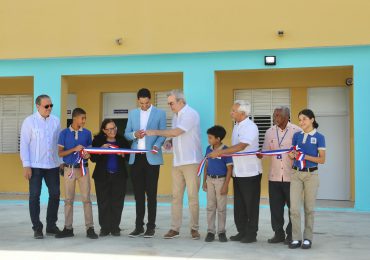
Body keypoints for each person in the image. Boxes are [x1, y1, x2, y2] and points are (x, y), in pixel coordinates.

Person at [145, 89, 203, 240]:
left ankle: (194, 229)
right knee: (176, 197)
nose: (170, 106)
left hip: (192, 162)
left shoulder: (190, 114)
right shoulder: (176, 116)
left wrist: (155, 132)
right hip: (177, 162)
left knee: (192, 197)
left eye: (171, 103)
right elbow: (175, 135)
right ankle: (174, 228)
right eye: (169, 103)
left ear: (181, 101)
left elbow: (176, 132)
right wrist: (170, 142)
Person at [208, 100, 262, 243]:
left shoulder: (251, 127)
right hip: (238, 172)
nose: (231, 113)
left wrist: (220, 152)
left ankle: (251, 234)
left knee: (250, 205)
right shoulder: (236, 126)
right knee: (239, 205)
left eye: (233, 111)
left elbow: (241, 146)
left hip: (250, 173)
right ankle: (242, 231)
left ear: (243, 113)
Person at [124, 88, 166, 238]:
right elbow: (126, 134)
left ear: (150, 100)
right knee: (138, 195)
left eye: (146, 103)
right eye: (141, 103)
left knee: (152, 194)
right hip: (136, 158)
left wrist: (157, 145)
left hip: (152, 157)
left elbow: (163, 134)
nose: (144, 106)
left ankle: (151, 227)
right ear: (138, 101)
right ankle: (138, 226)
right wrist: (134, 134)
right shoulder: (133, 113)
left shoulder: (160, 113)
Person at [20, 94, 62, 239]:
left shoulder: (56, 121)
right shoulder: (29, 122)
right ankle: (37, 228)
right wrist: (26, 165)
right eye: (46, 106)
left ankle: (51, 225)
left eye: (51, 106)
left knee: (55, 194)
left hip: (53, 165)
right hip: (35, 166)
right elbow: (24, 144)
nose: (49, 108)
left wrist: (61, 162)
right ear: (38, 106)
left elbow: (59, 144)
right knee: (34, 196)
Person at [56, 108, 98, 239]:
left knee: (86, 199)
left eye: (85, 118)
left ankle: (90, 228)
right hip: (69, 170)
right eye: (82, 118)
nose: (84, 121)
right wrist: (74, 149)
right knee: (68, 200)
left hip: (83, 169)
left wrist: (87, 155)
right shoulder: (63, 133)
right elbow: (60, 153)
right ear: (74, 118)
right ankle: (68, 228)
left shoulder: (87, 133)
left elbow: (90, 152)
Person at [261, 106, 300, 244]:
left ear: (287, 116)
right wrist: (261, 155)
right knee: (275, 209)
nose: (275, 118)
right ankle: (278, 234)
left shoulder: (297, 131)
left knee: (292, 208)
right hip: (274, 177)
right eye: (274, 115)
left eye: (278, 115)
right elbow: (265, 151)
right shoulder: (269, 132)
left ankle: (291, 234)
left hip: (292, 176)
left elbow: (301, 153)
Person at [288, 109, 326, 249]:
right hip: (296, 174)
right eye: (299, 119)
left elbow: (322, 160)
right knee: (294, 209)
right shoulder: (296, 135)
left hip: (311, 175)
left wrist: (305, 157)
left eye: (304, 119)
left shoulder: (320, 137)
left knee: (309, 208)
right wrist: (292, 155)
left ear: (312, 119)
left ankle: (308, 238)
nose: (301, 122)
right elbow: (292, 153)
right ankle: (296, 238)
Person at [90, 119, 130, 237]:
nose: (112, 131)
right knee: (103, 202)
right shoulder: (98, 141)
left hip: (119, 176)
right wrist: (101, 150)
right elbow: (93, 159)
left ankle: (115, 227)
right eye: (109, 129)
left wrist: (122, 154)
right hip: (102, 177)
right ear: (104, 130)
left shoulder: (122, 140)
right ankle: (104, 228)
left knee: (117, 202)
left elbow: (129, 158)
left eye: (114, 128)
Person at [202, 125, 233, 243]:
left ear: (218, 139)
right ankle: (210, 231)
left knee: (221, 208)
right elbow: (206, 165)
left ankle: (221, 232)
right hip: (210, 180)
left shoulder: (226, 150)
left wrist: (226, 185)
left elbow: (230, 169)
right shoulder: (208, 149)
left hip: (221, 181)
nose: (208, 140)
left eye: (210, 137)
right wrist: (204, 181)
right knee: (210, 207)